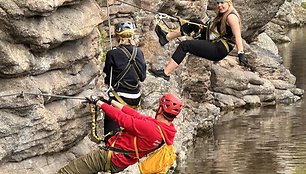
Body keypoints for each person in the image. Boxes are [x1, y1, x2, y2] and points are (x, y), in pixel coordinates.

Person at [57, 93, 183, 174]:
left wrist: (99, 103)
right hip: (120, 161)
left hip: (110, 157)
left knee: (66, 172)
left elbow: (122, 119)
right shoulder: (166, 129)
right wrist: (110, 101)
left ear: (161, 108)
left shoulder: (151, 128)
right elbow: (135, 115)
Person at [150, 0, 248, 81]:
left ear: (229, 2)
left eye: (222, 2)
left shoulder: (231, 17)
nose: (219, 5)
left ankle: (165, 73)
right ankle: (166, 37)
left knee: (185, 45)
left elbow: (237, 36)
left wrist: (241, 53)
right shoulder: (224, 13)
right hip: (214, 41)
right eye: (218, 3)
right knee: (194, 22)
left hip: (219, 49)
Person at [103, 21, 146, 142]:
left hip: (119, 97)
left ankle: (109, 144)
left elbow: (108, 78)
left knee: (111, 132)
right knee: (128, 129)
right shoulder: (139, 53)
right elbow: (142, 77)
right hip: (135, 98)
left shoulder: (112, 53)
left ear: (117, 36)